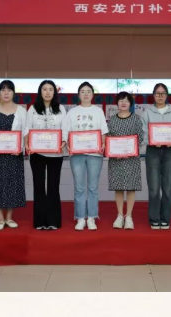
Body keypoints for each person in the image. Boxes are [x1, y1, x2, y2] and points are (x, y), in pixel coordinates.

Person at [25, 80, 67, 230]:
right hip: (37, 153)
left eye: (51, 89)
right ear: (40, 92)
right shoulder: (33, 109)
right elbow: (27, 128)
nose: (48, 92)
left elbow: (65, 128)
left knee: (53, 186)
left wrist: (63, 141)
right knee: (39, 186)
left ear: (54, 92)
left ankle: (53, 221)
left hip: (56, 154)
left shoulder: (61, 109)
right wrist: (27, 143)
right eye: (45, 89)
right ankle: (40, 221)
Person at [0, 80, 26, 230]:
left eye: (9, 90)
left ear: (14, 93)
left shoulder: (21, 111)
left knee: (13, 184)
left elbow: (25, 132)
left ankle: (9, 217)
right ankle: (0, 218)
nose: (6, 93)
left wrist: (21, 148)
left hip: (14, 155)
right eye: (3, 90)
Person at [66, 81, 108, 231]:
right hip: (76, 154)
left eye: (88, 91)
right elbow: (66, 132)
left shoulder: (98, 111)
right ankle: (80, 217)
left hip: (95, 154)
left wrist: (102, 143)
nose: (85, 94)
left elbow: (103, 132)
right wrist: (68, 144)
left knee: (93, 187)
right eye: (82, 91)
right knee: (79, 187)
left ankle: (91, 217)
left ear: (92, 95)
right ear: (78, 95)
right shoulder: (72, 112)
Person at [142, 83, 171, 229]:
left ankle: (165, 217)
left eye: (163, 93)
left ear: (167, 95)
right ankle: (154, 218)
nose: (160, 96)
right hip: (152, 151)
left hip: (169, 151)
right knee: (153, 187)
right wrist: (152, 141)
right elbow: (143, 131)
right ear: (153, 95)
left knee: (168, 186)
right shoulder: (147, 112)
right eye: (157, 93)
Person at [107, 92, 145, 230]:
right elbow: (108, 138)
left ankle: (129, 216)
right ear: (117, 103)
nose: (123, 103)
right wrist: (114, 152)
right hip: (116, 159)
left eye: (126, 101)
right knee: (118, 187)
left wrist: (130, 151)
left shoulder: (136, 119)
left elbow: (140, 137)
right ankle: (119, 215)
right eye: (121, 100)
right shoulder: (111, 120)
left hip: (131, 159)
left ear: (130, 103)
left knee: (130, 187)